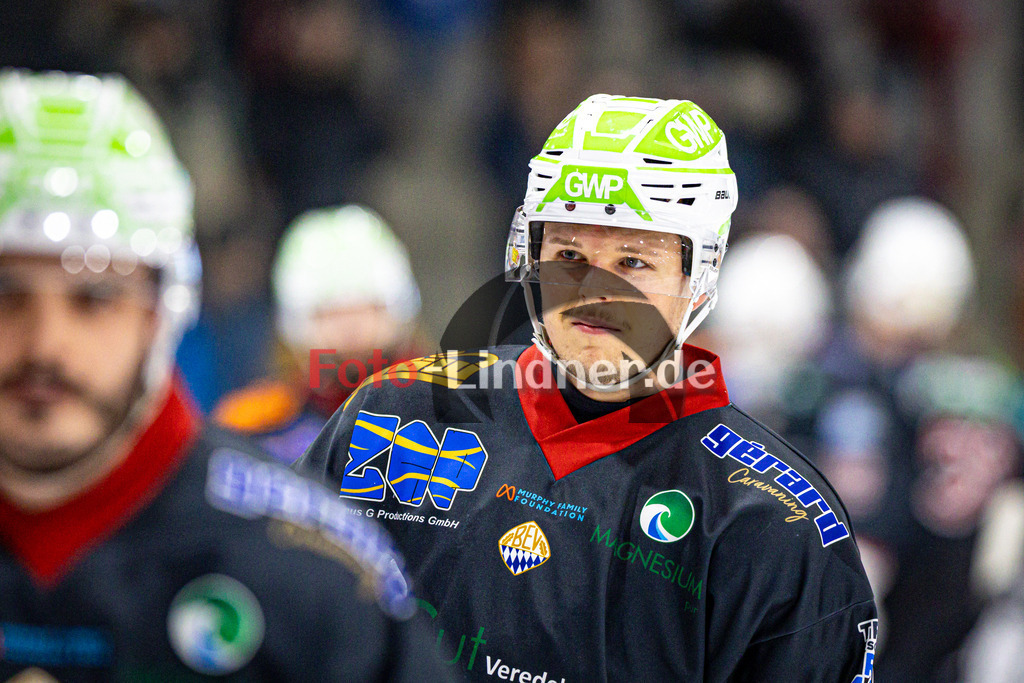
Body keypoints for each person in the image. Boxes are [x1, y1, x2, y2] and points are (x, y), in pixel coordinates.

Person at [297, 94, 878, 681]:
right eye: (570, 253)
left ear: (700, 274)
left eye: (633, 262)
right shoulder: (398, 412)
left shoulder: (771, 518)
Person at [0, 69, 449, 682]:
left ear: (164, 308)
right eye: (6, 293)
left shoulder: (312, 573)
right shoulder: (256, 417)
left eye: (96, 297)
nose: (45, 344)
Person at [214, 204, 425, 465]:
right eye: (329, 311)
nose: (351, 325)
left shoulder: (450, 414)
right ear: (297, 321)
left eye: (368, 305)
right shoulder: (253, 424)